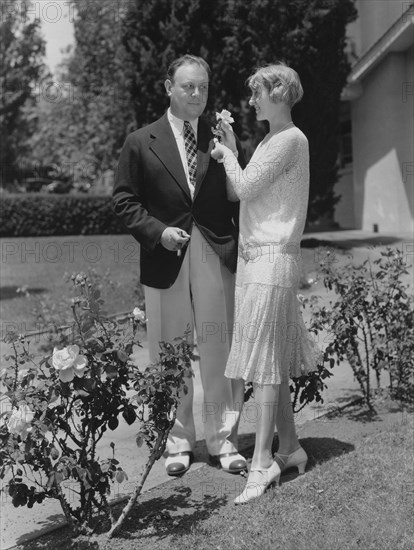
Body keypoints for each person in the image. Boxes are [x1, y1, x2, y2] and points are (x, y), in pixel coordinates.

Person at [113, 54, 247, 477]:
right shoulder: (140, 141)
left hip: (213, 249)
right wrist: (158, 232)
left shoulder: (219, 135)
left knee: (219, 347)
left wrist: (234, 155)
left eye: (203, 87)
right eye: (188, 86)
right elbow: (123, 201)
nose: (196, 94)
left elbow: (234, 194)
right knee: (168, 350)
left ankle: (224, 441)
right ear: (168, 87)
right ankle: (177, 442)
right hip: (165, 254)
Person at [211, 62, 321, 503]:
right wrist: (237, 148)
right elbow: (252, 188)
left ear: (278, 92)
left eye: (257, 92)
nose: (252, 99)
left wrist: (226, 155)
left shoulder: (290, 139)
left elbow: (242, 189)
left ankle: (261, 465)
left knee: (266, 364)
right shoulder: (272, 140)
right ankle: (290, 449)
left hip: (271, 261)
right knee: (267, 357)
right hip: (259, 261)